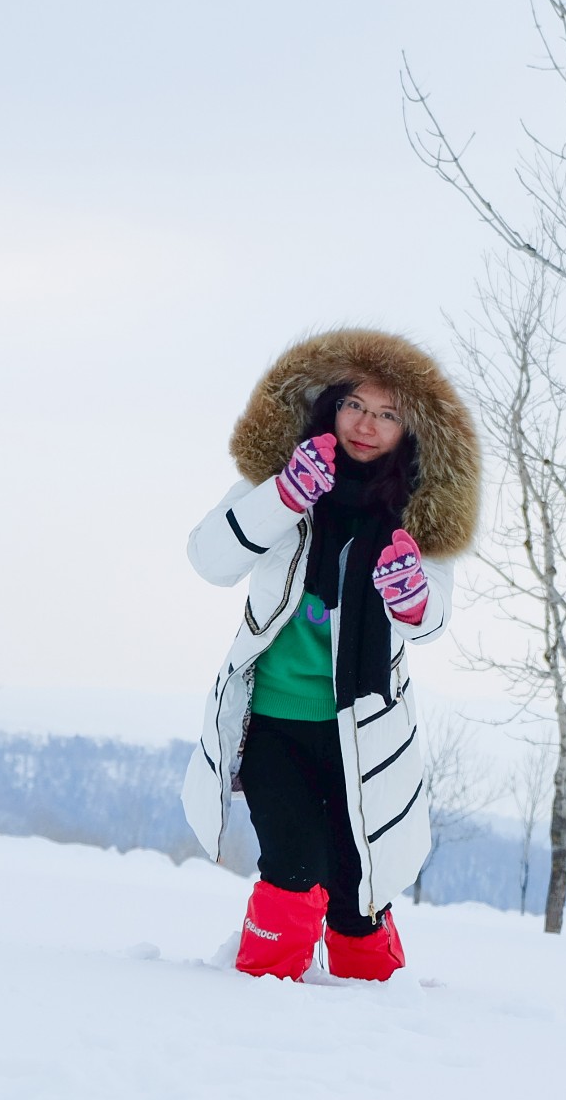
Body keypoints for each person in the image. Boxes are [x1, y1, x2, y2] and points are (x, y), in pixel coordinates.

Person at [181, 329, 479, 981]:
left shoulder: (419, 513)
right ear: (329, 403)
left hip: (363, 734)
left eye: (388, 413)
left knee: (358, 896)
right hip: (277, 725)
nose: (366, 425)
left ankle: (372, 1011)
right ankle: (250, 999)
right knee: (293, 870)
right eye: (355, 405)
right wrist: (286, 496)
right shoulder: (278, 476)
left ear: (412, 428)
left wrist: (408, 597)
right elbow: (209, 558)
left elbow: (431, 619)